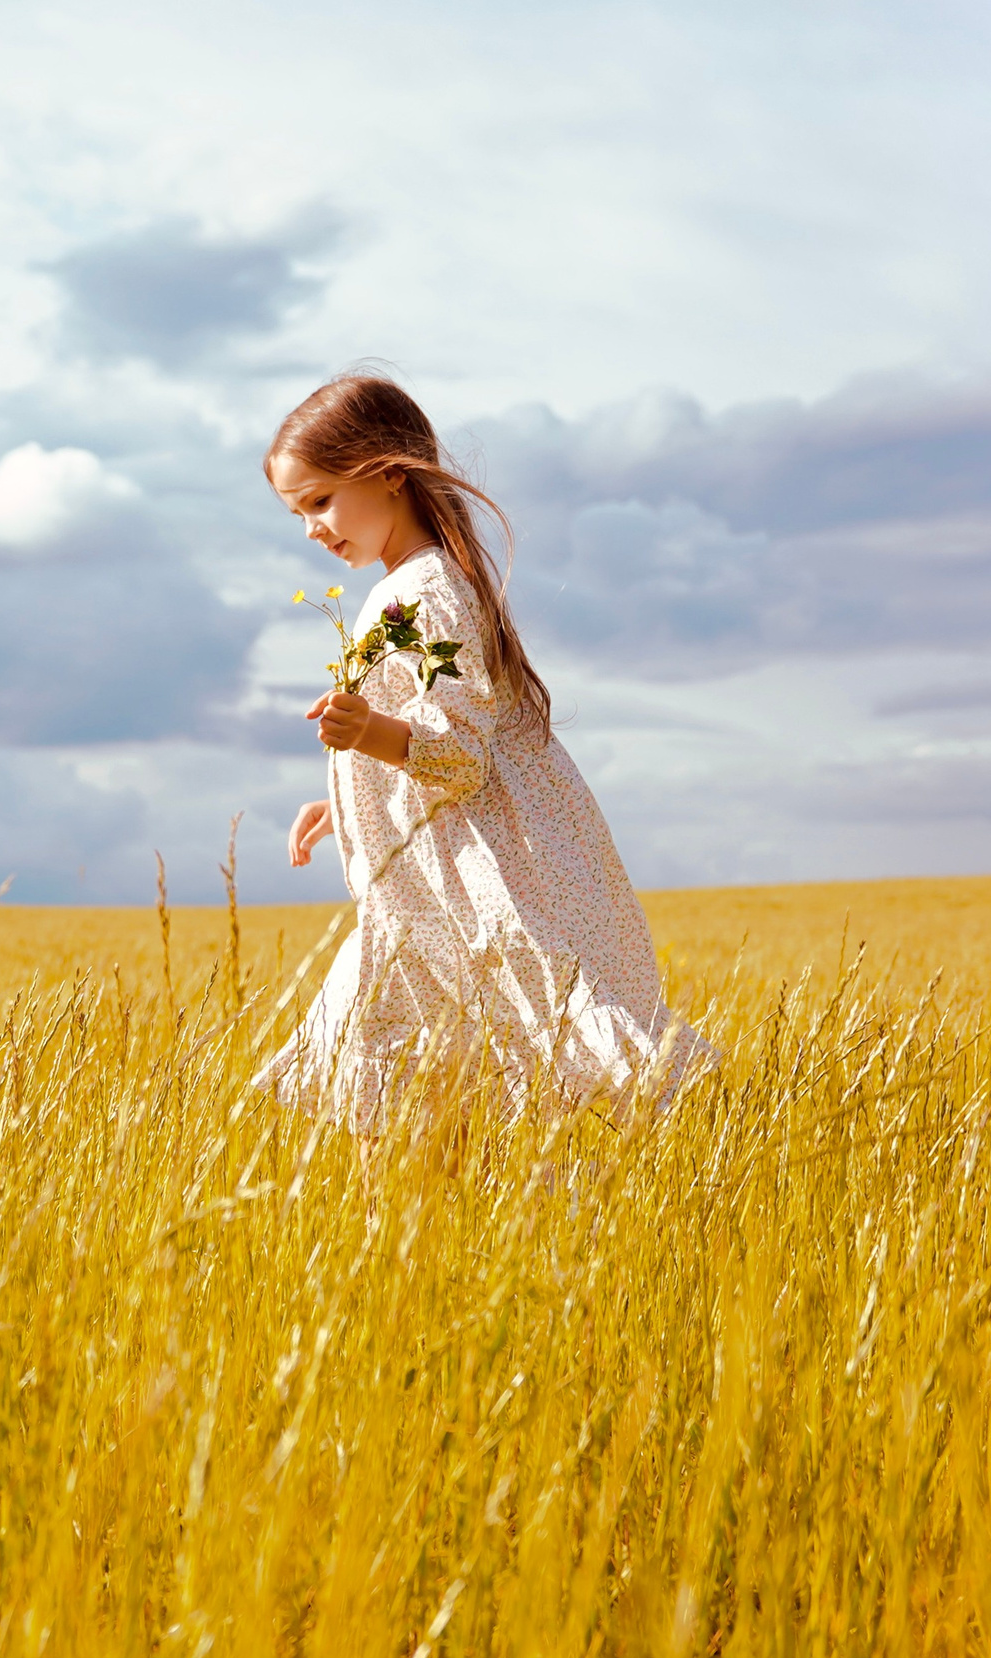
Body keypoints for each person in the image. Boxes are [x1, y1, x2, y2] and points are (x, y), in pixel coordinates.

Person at [259, 369, 711, 1128]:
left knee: (420, 1056)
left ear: (390, 474)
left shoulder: (426, 591)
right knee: (427, 1065)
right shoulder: (409, 587)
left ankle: (411, 1234)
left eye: (320, 500)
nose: (311, 527)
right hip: (423, 884)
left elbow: (458, 752)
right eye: (298, 512)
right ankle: (426, 1233)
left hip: (457, 889)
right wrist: (349, 797)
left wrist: (365, 732)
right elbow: (428, 741)